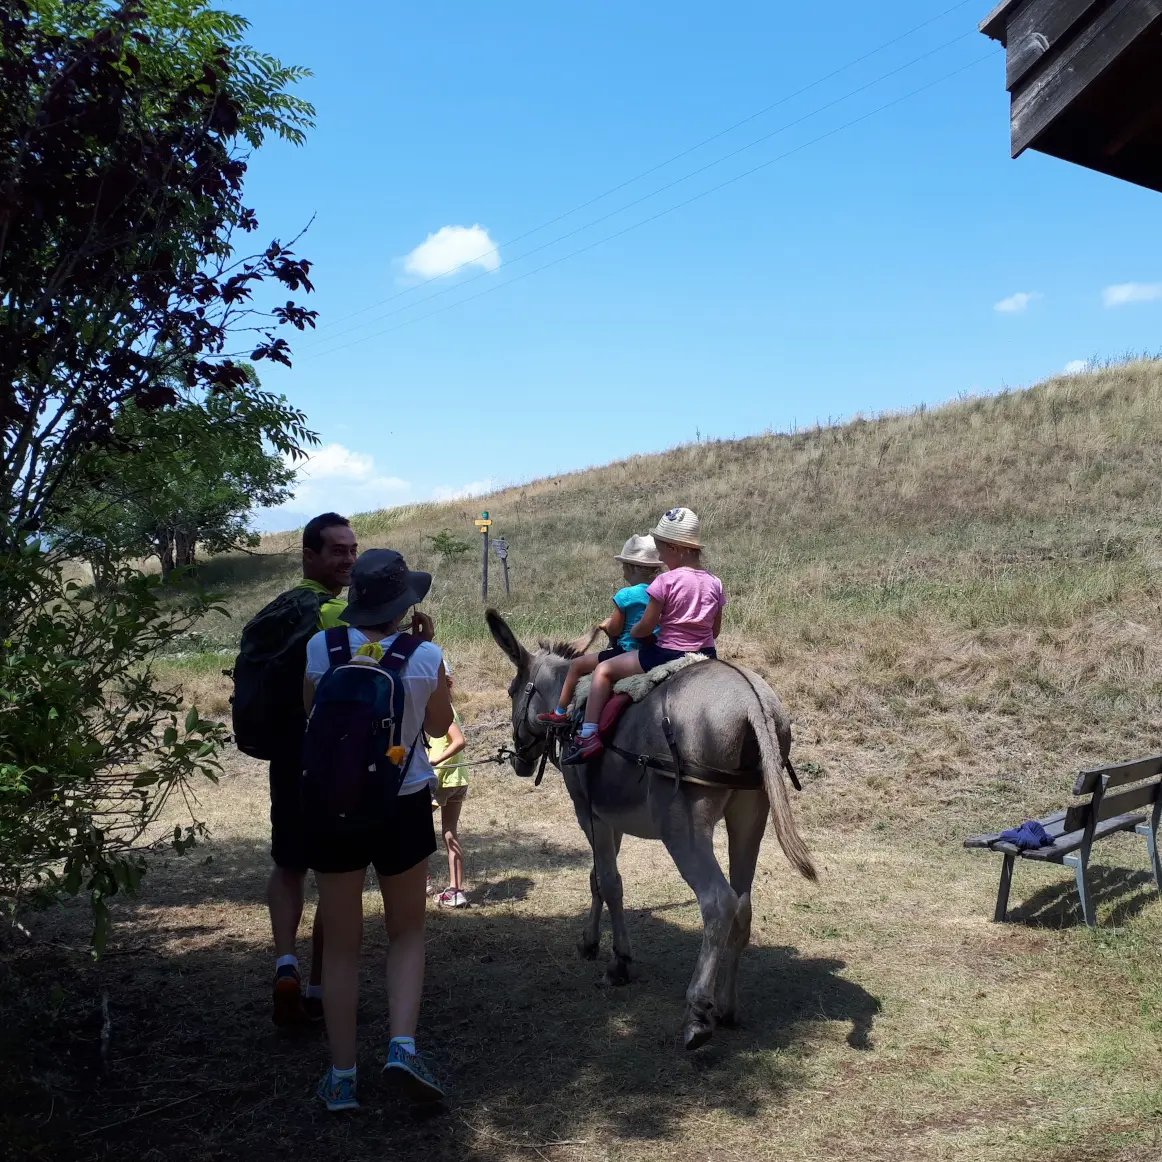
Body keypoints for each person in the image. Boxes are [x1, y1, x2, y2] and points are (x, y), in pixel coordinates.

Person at [303, 549, 453, 1113]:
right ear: (404, 603)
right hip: (402, 804)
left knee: (341, 946)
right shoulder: (426, 654)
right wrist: (428, 658)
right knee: (406, 932)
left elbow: (311, 715)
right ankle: (402, 1048)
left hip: (333, 807)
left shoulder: (323, 648)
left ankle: (342, 1077)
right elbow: (440, 727)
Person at [268, 512, 357, 1027]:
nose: (347, 559)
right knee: (334, 875)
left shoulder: (277, 611)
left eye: (351, 550)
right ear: (308, 555)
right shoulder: (334, 617)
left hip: (285, 754)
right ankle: (321, 987)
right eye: (336, 551)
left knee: (287, 863)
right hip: (329, 763)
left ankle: (285, 963)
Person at [562, 508, 724, 764]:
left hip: (667, 654)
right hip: (707, 654)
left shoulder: (666, 582)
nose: (659, 556)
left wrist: (637, 631)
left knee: (604, 670)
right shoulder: (715, 582)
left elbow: (645, 629)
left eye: (661, 549)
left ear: (674, 548)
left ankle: (588, 735)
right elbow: (715, 631)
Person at [537, 535, 664, 725]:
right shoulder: (662, 590)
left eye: (624, 565)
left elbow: (615, 629)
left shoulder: (625, 595)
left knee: (577, 665)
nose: (622, 570)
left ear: (633, 567)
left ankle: (560, 711)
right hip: (654, 650)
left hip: (628, 651)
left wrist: (606, 624)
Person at [427, 660, 470, 908]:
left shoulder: (442, 711)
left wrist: (434, 760)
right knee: (450, 833)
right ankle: (456, 891)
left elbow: (458, 741)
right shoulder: (445, 708)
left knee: (414, 830)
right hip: (456, 778)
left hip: (441, 779)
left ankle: (422, 881)